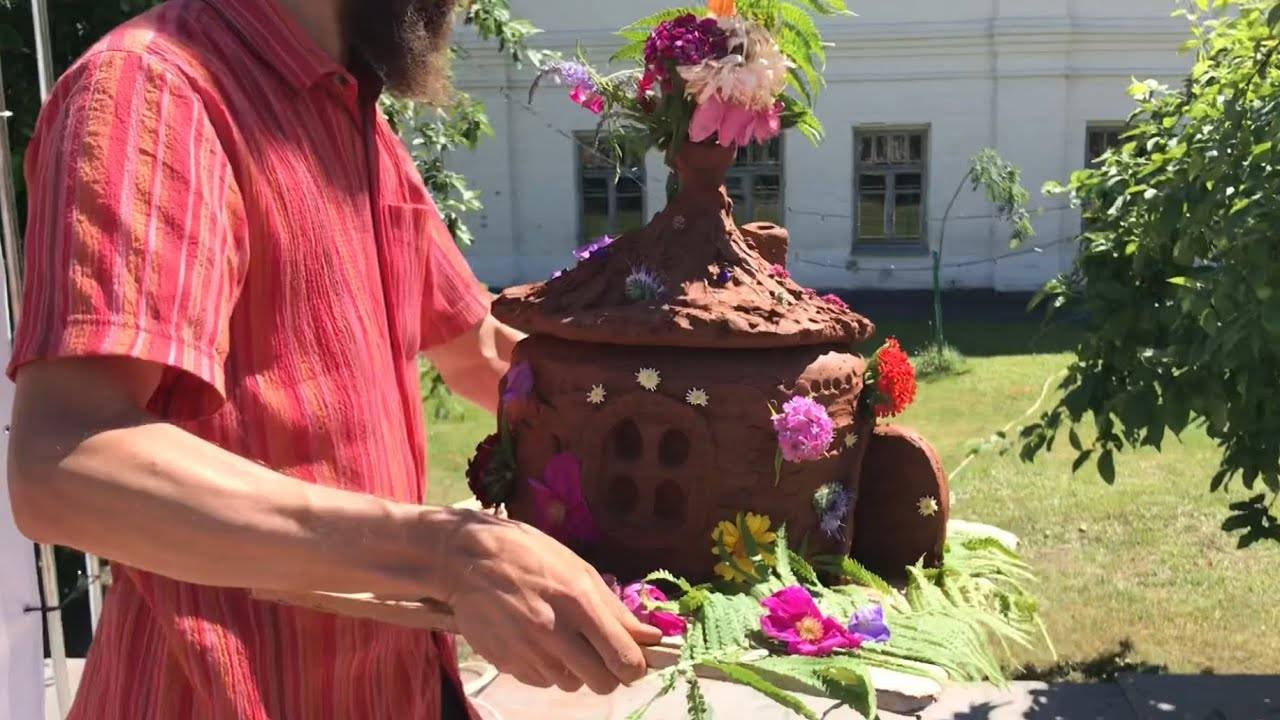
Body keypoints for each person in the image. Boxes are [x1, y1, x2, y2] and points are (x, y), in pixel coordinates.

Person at [5, 0, 662, 718]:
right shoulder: (154, 90)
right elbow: (65, 466)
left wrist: (693, 418)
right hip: (223, 695)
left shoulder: (353, 112)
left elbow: (481, 351)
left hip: (402, 686)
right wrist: (450, 555)